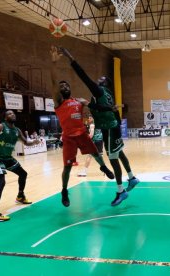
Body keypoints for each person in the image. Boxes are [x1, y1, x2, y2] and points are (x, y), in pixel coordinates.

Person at [59, 47, 140, 206]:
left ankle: (120, 191)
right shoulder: (109, 94)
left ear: (103, 83)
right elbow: (110, 110)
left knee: (113, 159)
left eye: (100, 79)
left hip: (109, 128)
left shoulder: (99, 91)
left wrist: (70, 58)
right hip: (112, 126)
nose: (97, 80)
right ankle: (131, 177)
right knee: (119, 153)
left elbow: (84, 76)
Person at [50, 46, 115, 207]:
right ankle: (64, 190)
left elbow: (94, 107)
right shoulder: (58, 101)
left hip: (81, 134)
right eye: (61, 86)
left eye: (66, 85)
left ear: (70, 88)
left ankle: (104, 168)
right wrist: (53, 63)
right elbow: (53, 80)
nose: (64, 86)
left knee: (96, 154)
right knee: (67, 167)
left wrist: (109, 108)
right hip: (68, 137)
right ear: (58, 90)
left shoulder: (78, 100)